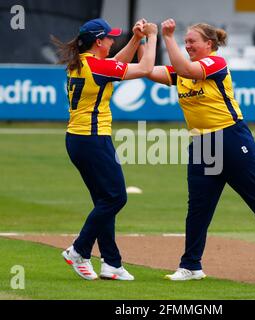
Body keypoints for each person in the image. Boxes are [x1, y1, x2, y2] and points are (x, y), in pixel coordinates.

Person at [146, 19, 255, 280]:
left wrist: (167, 37)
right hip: (202, 143)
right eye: (186, 41)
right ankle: (191, 265)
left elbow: (185, 68)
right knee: (198, 208)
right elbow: (147, 70)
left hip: (231, 137)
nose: (188, 44)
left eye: (193, 41)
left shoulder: (215, 63)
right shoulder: (182, 72)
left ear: (209, 44)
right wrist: (146, 38)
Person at [52, 18, 157, 280]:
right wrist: (150, 37)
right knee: (115, 198)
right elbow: (145, 68)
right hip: (92, 139)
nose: (112, 41)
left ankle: (111, 263)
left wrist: (134, 38)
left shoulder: (83, 63)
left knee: (104, 200)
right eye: (109, 37)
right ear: (98, 41)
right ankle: (78, 249)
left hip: (79, 139)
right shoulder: (97, 66)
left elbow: (115, 64)